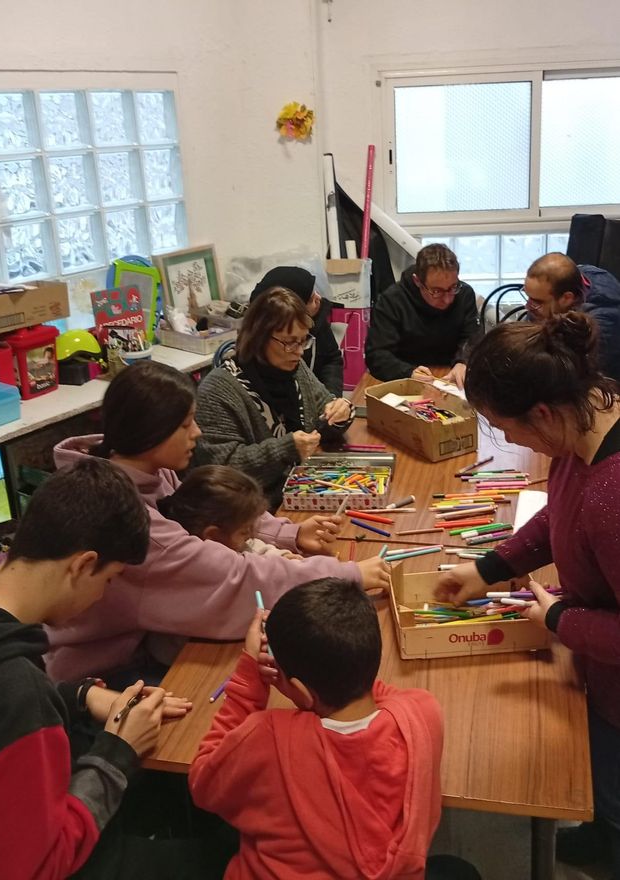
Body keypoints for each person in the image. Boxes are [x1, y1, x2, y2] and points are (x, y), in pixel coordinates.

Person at [0, 458, 226, 880]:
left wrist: (80, 695)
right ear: (83, 565)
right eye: (109, 579)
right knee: (221, 855)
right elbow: (32, 868)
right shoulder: (15, 699)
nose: (103, 596)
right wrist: (118, 750)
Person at [47, 360, 390, 683]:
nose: (197, 433)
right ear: (149, 432)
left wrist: (290, 533)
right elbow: (235, 578)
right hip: (102, 671)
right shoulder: (131, 521)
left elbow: (209, 512)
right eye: (185, 425)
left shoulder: (137, 467)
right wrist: (349, 575)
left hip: (141, 640)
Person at [435, 312, 620, 878]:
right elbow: (557, 519)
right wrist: (487, 568)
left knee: (612, 785)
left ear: (541, 412)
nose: (510, 440)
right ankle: (601, 833)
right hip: (600, 670)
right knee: (602, 783)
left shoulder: (613, 496)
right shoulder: (579, 428)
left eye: (505, 428)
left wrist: (560, 618)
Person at [190, 577, 481, 880]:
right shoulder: (423, 713)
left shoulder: (267, 737)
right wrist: (341, 670)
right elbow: (379, 692)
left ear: (302, 691)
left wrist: (250, 678)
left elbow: (203, 783)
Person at [194, 287, 355, 508]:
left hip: (301, 488)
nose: (299, 351)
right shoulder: (219, 390)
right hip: (254, 510)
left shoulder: (293, 368)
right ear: (259, 337)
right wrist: (286, 449)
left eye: (303, 341)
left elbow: (323, 413)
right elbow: (223, 469)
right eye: (289, 342)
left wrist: (341, 410)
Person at [365, 243, 480, 389]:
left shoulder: (464, 294)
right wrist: (408, 372)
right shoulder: (392, 300)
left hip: (452, 376)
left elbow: (473, 338)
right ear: (417, 281)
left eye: (452, 288)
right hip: (407, 379)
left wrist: (463, 362)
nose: (447, 299)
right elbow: (377, 354)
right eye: (437, 291)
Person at [158, 464, 302, 559]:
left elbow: (253, 546)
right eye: (245, 531)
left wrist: (281, 556)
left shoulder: (232, 541)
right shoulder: (210, 565)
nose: (250, 536)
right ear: (213, 535)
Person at [523, 251, 620, 381]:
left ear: (567, 298)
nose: (527, 306)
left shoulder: (599, 328)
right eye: (528, 296)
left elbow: (570, 380)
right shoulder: (581, 274)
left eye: (538, 301)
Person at [251, 265, 343, 396]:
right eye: (291, 343)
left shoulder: (317, 318)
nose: (319, 298)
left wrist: (333, 400)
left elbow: (331, 358)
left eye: (304, 341)